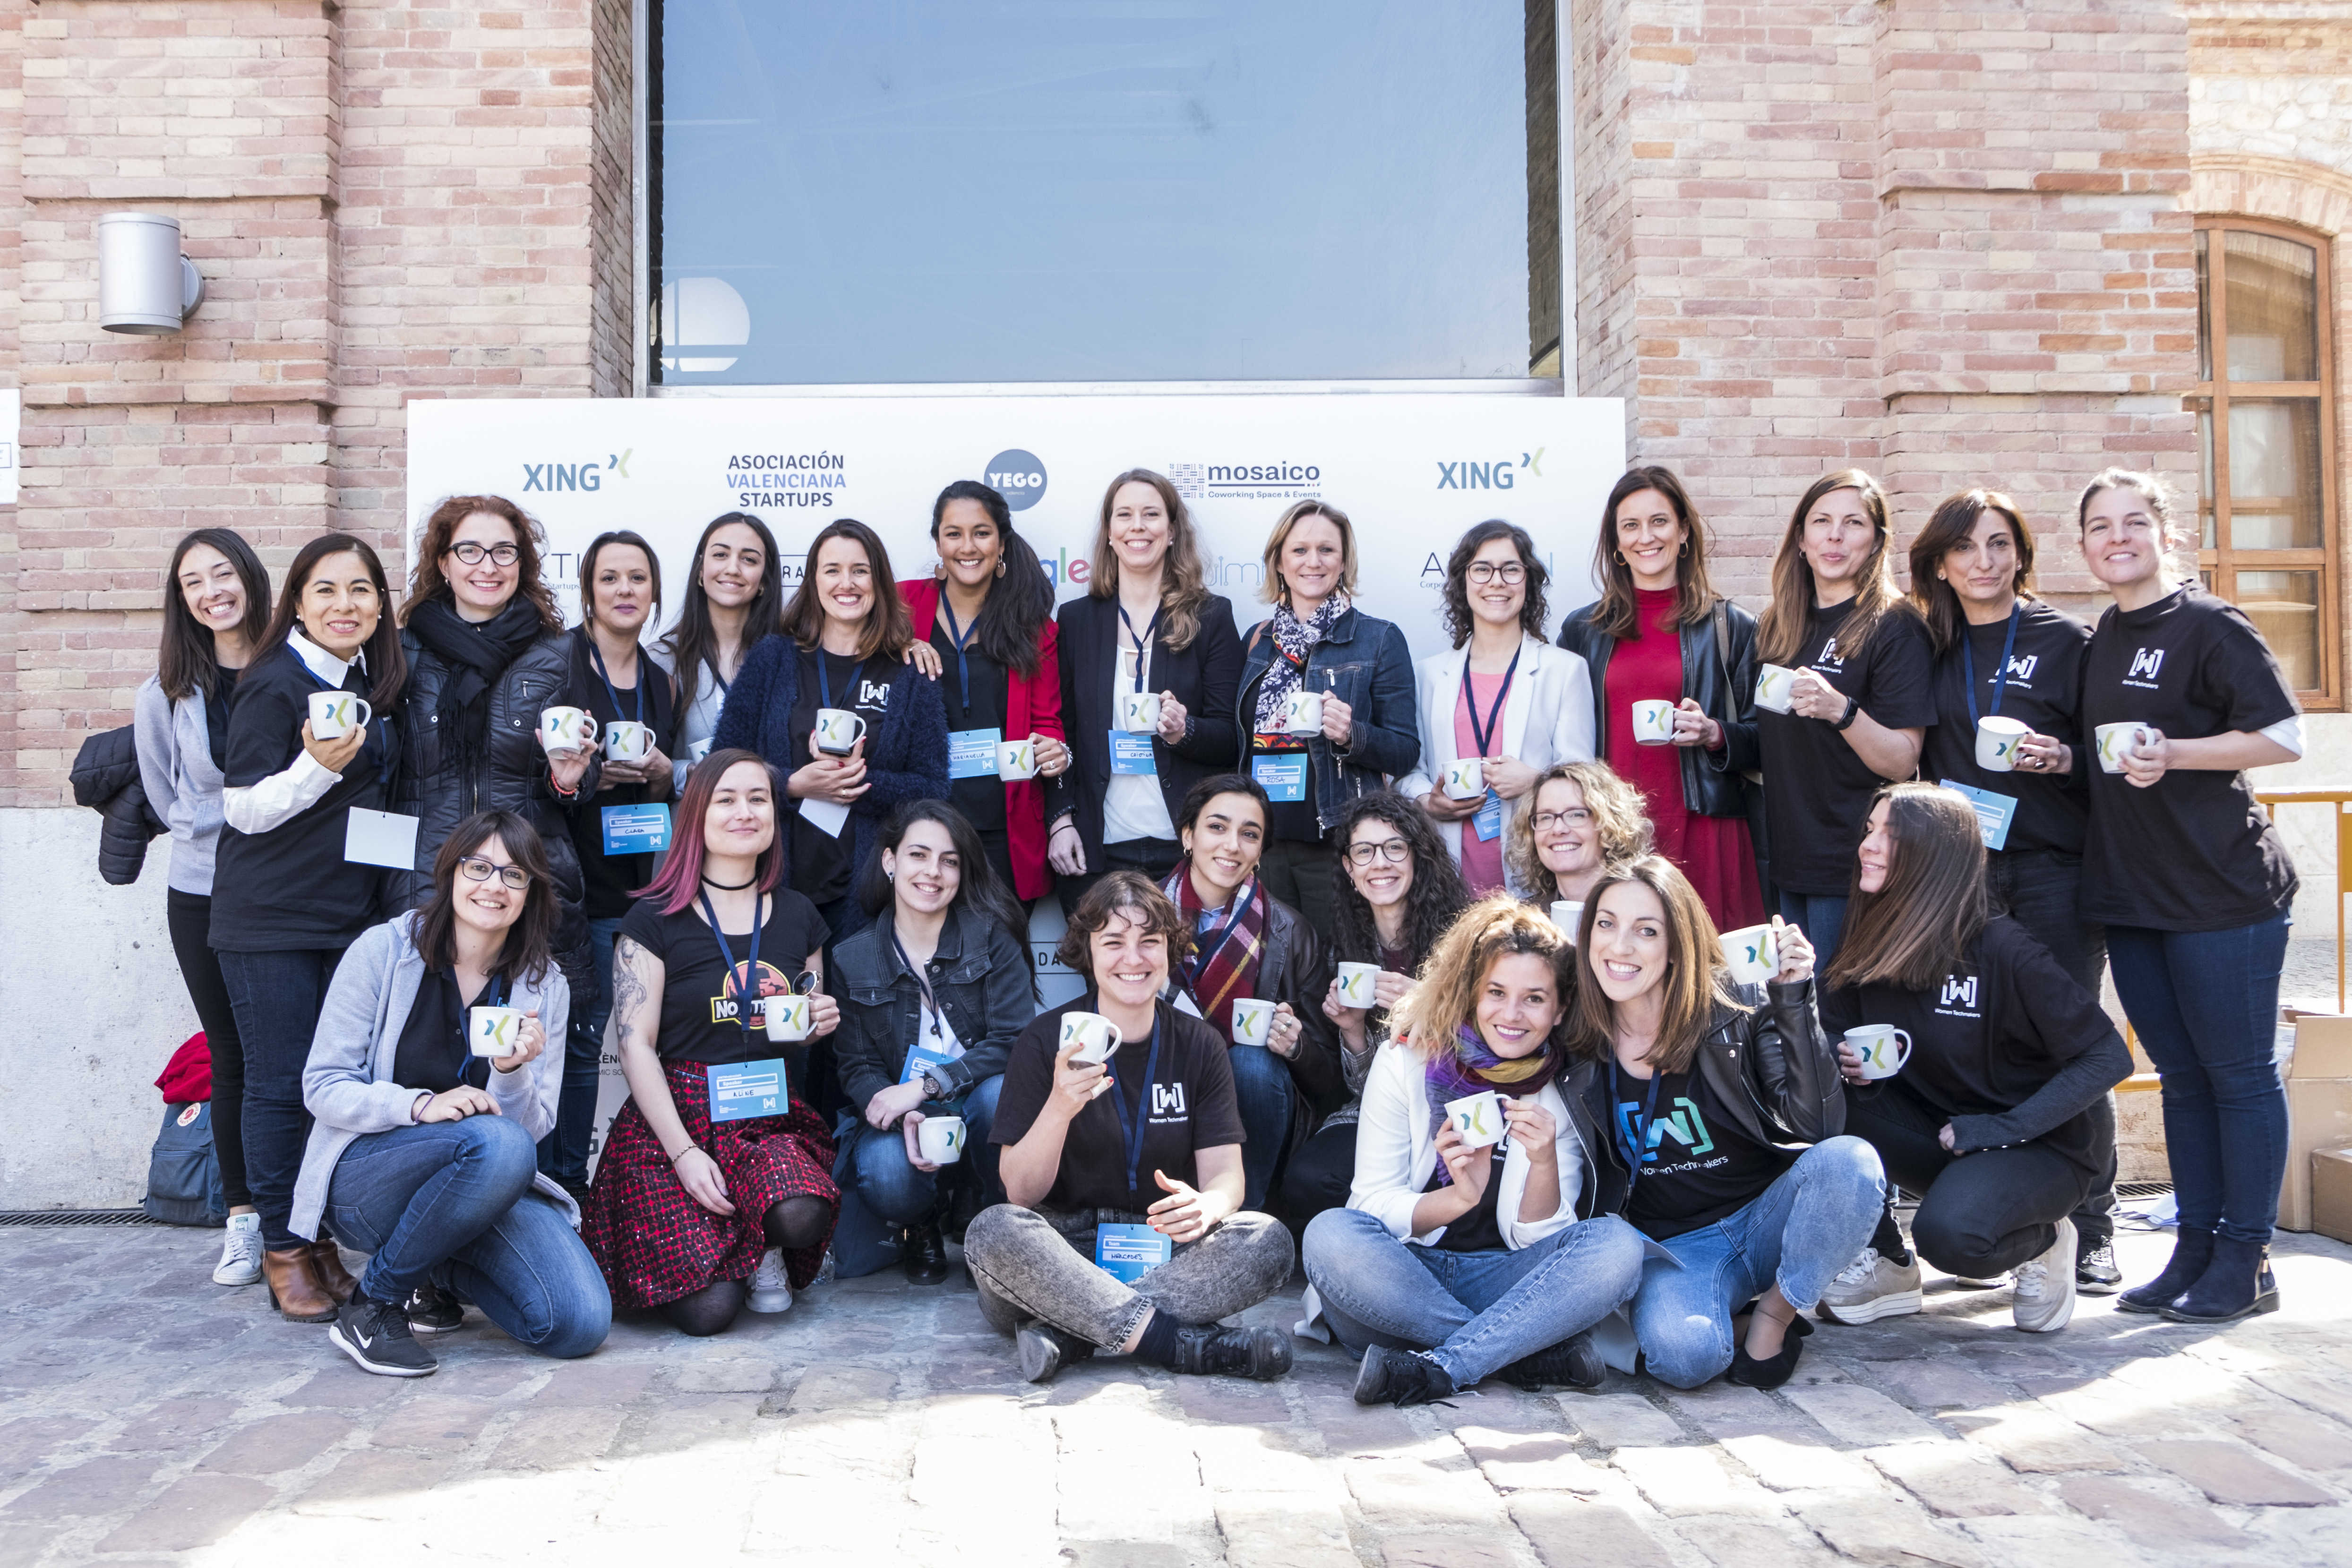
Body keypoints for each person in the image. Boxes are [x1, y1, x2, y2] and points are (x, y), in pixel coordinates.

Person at [2076, 469, 2302, 1324]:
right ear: (2085, 545)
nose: (2116, 537)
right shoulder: (2102, 636)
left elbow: (2282, 735)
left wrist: (2172, 751)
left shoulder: (2209, 624)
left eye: (2132, 521)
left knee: (2236, 1074)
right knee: (2179, 1076)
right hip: (2136, 895)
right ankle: (2195, 1246)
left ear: (2165, 533)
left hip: (2223, 893)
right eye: (2099, 526)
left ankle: (2246, 1256)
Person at [294, 811, 611, 1376]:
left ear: (531, 893)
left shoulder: (544, 984)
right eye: (480, 867)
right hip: (370, 1175)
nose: (494, 885)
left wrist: (512, 1071)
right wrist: (418, 1105)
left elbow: (534, 1127)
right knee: (498, 1144)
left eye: (514, 876)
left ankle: (432, 1268)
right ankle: (375, 1303)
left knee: (577, 1323)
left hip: (482, 1181)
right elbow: (323, 1085)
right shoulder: (383, 951)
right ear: (451, 872)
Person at [1305, 896, 1648, 1405]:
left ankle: (1448, 1363)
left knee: (1618, 1245)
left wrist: (1543, 1161)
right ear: (1470, 992)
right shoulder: (1407, 1059)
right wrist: (1458, 1199)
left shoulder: (1565, 1085)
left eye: (1534, 998)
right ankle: (1518, 1352)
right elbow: (1370, 1205)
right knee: (1328, 1233)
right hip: (1401, 1279)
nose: (1511, 1015)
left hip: (1506, 1280)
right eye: (1495, 992)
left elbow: (1543, 1238)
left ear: (1558, 1011)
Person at [1813, 786, 2131, 1335]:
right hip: (1945, 1135)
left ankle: (2048, 1238)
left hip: (2038, 1147)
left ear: (1934, 853)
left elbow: (2107, 1056)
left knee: (1953, 1240)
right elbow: (1837, 1025)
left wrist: (2004, 1127)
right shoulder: (1867, 931)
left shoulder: (2003, 946)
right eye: (1869, 829)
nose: (1869, 844)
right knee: (1812, 1097)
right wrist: (1843, 1056)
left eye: (1889, 834)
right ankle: (1887, 1260)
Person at [1906, 489, 2120, 1294]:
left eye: (1998, 544)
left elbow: (2105, 750)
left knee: (2068, 1044)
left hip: (2052, 866)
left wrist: (2059, 758)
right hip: (1964, 877)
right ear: (1939, 563)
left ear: (2021, 554)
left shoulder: (2065, 640)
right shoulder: (1930, 642)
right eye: (1964, 548)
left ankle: (2093, 1225)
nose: (1983, 561)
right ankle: (2005, 1205)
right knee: (1979, 1041)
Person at [965, 873, 1296, 1385]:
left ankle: (1074, 1333)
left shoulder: (1199, 1043)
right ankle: (1179, 1344)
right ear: (1088, 952)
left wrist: (1207, 1205)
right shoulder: (1043, 1039)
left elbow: (1227, 1175)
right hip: (1061, 1249)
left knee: (1267, 1239)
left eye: (1149, 941)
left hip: (1162, 1244)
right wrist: (1058, 1106)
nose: (1133, 958)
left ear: (1169, 951)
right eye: (1113, 942)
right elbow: (1021, 1191)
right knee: (992, 1231)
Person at [1571, 857, 1881, 1389]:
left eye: (1646, 931)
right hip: (1675, 1249)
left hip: (1765, 1220)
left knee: (1850, 1162)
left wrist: (1793, 995)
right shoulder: (1575, 1036)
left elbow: (1819, 1126)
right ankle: (1732, 1320)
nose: (1619, 947)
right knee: (1683, 1358)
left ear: (1676, 946)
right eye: (1606, 923)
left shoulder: (1735, 1008)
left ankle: (1776, 1316)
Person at [210, 533, 407, 1321]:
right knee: (281, 1085)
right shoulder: (273, 684)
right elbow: (242, 807)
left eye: (360, 590)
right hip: (270, 919)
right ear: (296, 601)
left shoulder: (368, 682)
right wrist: (316, 766)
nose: (344, 605)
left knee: (331, 1089)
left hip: (344, 916)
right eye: (325, 590)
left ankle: (320, 1237)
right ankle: (284, 1247)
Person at [580, 751, 841, 1336]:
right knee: (708, 1313)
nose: (744, 811)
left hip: (764, 1115)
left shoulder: (800, 916)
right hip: (673, 1119)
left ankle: (761, 1246)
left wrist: (815, 1020)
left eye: (758, 798)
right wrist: (684, 1152)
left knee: (801, 1214)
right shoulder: (654, 920)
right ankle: (737, 1255)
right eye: (726, 799)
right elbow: (636, 1046)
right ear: (696, 814)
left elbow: (794, 1025)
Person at [135, 527, 272, 1289]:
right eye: (194, 581)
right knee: (234, 1056)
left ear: (249, 578)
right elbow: (167, 796)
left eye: (223, 573)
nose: (213, 590)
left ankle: (300, 1215)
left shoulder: (291, 665)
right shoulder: (165, 691)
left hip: (285, 888)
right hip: (202, 889)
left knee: (289, 1055)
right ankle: (244, 1219)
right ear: (181, 599)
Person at [394, 495, 598, 1003]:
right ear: (443, 563)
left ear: (522, 563)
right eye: (470, 551)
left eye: (504, 552)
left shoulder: (558, 651)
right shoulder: (401, 651)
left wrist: (568, 779)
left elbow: (584, 774)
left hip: (528, 879)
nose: (488, 566)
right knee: (427, 1047)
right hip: (428, 877)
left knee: (534, 1052)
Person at [714, 518, 951, 945]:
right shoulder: (773, 658)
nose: (847, 583)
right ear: (813, 580)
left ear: (879, 580)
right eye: (832, 570)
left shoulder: (911, 671)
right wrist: (790, 784)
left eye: (860, 570)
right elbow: (721, 766)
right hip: (774, 882)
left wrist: (858, 783)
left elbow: (934, 788)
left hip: (869, 895)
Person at [829, 800, 1035, 1282]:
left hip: (975, 1098)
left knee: (998, 1094)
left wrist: (927, 1085)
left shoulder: (992, 938)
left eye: (949, 860)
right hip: (907, 1112)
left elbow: (1016, 1039)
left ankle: (991, 1217)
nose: (933, 872)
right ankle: (921, 1221)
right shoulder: (851, 957)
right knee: (884, 1170)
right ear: (889, 861)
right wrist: (902, 1112)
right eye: (918, 855)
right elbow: (856, 1065)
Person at [1557, 467, 1766, 929]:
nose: (1645, 537)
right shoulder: (1582, 631)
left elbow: (1765, 741)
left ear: (1684, 531)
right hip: (1612, 831)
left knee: (1708, 974)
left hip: (1703, 825)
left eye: (1659, 521)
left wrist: (1715, 733)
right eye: (1630, 525)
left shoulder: (1731, 626)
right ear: (1614, 541)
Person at [1752, 470, 1934, 970]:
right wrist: (1714, 735)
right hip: (1790, 861)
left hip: (1855, 865)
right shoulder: (1778, 625)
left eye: (1853, 523)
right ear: (1800, 541)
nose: (1834, 535)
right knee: (1798, 1012)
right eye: (1821, 521)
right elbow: (1773, 740)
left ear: (1876, 542)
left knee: (1836, 1021)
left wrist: (1842, 710)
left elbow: (1902, 760)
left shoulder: (1895, 626)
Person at [1054, 469, 1245, 909]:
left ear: (1173, 531)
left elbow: (1232, 738)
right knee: (1106, 978)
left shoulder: (1210, 616)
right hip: (1096, 853)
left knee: (1187, 979)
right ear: (1109, 532)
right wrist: (1059, 821)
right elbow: (1059, 731)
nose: (1137, 526)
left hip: (1185, 852)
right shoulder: (1076, 620)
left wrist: (1185, 731)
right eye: (1125, 514)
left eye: (1151, 514)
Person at [551, 529, 677, 1191]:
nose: (625, 589)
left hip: (641, 886)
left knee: (639, 1037)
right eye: (610, 578)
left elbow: (660, 791)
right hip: (574, 884)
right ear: (589, 592)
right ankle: (565, 1186)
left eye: (638, 577)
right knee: (576, 1039)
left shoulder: (659, 679)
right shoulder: (562, 664)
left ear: (654, 592)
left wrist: (659, 775)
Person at [1156, 774, 1340, 1214]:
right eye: (1217, 827)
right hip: (1160, 1081)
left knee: (1252, 1062)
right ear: (1188, 834)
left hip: (1253, 1100)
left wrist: (1295, 1047)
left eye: (1249, 834)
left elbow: (1331, 1081)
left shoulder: (1290, 930)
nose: (1232, 845)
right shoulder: (1140, 915)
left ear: (1260, 851)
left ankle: (1242, 1220)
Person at [1288, 792, 1474, 1223]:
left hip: (1452, 1102)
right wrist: (1353, 1030)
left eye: (1394, 847)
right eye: (1364, 851)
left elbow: (1492, 1044)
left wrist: (1429, 1005)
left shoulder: (1465, 938)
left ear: (1417, 856)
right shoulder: (1344, 945)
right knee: (1308, 1179)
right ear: (1350, 869)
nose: (1380, 863)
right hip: (1380, 1108)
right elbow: (1362, 1088)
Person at [1236, 500, 1419, 933]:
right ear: (1279, 561)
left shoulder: (1379, 639)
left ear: (1343, 562)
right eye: (1299, 550)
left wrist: (1351, 734)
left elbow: (1405, 751)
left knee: (1335, 975)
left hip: (1336, 841)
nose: (1312, 562)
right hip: (1264, 840)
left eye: (1327, 550)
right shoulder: (1257, 641)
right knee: (1274, 976)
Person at [897, 480, 1073, 906]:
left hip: (1005, 828)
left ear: (1001, 543)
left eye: (981, 532)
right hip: (924, 824)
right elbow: (851, 648)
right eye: (953, 533)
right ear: (938, 544)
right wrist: (895, 644)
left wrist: (1057, 751)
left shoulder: (1034, 628)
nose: (967, 546)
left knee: (1001, 963)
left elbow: (1048, 721)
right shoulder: (902, 605)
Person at [1400, 520, 1594, 894]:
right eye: (1482, 569)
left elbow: (1584, 778)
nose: (1497, 581)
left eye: (1511, 569)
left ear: (1529, 582)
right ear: (1463, 582)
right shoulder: (1428, 674)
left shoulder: (1565, 670)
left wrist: (1536, 781)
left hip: (1535, 874)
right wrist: (1428, 800)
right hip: (1447, 876)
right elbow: (1410, 770)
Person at [653, 511, 785, 793]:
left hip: (768, 828)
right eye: (721, 555)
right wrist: (690, 772)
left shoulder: (789, 661)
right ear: (701, 571)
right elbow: (648, 762)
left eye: (749, 559)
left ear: (764, 580)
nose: (733, 568)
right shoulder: (661, 660)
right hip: (689, 828)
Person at [1505, 759, 1655, 917]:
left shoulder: (1646, 911)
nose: (1558, 829)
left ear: (1609, 824)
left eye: (1576, 815)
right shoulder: (1525, 922)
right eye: (1546, 817)